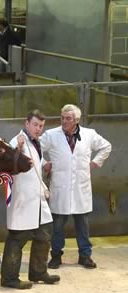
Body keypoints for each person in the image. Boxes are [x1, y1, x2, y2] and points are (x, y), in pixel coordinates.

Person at [41, 104, 111, 270]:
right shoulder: (51, 135)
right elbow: (35, 149)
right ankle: (56, 256)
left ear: (77, 120)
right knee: (57, 226)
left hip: (81, 188)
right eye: (62, 118)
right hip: (60, 188)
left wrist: (95, 162)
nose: (64, 121)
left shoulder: (89, 134)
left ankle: (85, 256)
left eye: (68, 118)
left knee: (83, 225)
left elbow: (106, 146)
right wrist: (45, 163)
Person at [1, 110, 60, 289]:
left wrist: (45, 165)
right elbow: (9, 164)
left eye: (41, 126)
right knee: (18, 238)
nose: (38, 129)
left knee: (45, 233)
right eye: (35, 125)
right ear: (26, 124)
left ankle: (38, 272)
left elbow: (36, 162)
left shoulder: (37, 142)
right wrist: (18, 148)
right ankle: (9, 278)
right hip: (23, 199)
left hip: (38, 199)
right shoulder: (16, 141)